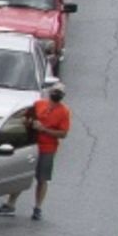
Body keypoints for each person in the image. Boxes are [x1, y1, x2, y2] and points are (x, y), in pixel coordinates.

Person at [26, 82, 71, 213]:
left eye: (60, 93)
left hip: (47, 149)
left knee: (42, 179)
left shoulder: (64, 112)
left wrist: (44, 130)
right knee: (22, 174)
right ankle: (10, 204)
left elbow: (63, 133)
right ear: (50, 92)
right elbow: (26, 118)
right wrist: (31, 123)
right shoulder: (39, 104)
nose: (56, 94)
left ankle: (38, 207)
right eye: (55, 91)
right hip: (31, 145)